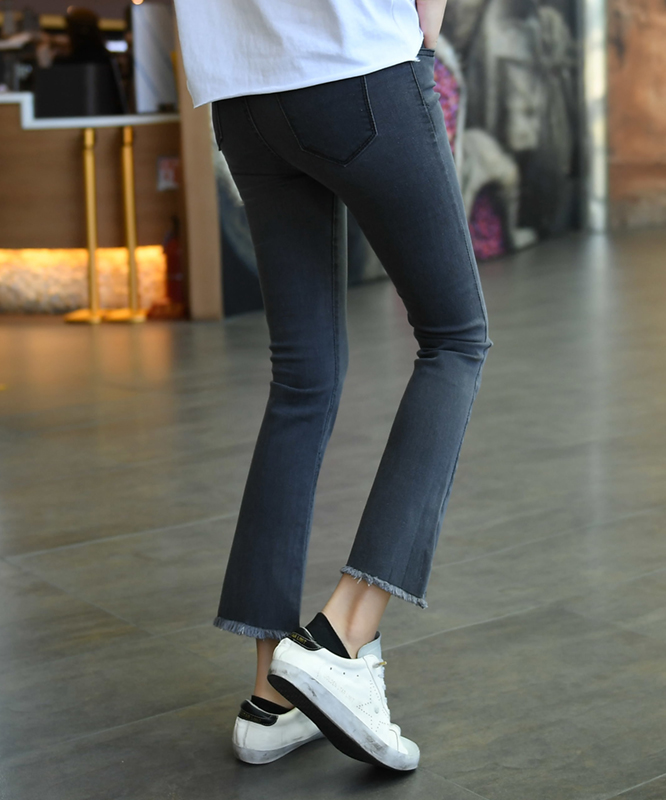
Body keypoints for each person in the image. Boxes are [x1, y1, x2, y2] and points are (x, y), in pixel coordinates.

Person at [173, 0, 491, 772]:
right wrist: (425, 25)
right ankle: (343, 636)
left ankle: (271, 699)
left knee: (302, 380)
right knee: (455, 339)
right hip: (358, 66)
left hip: (243, 94)